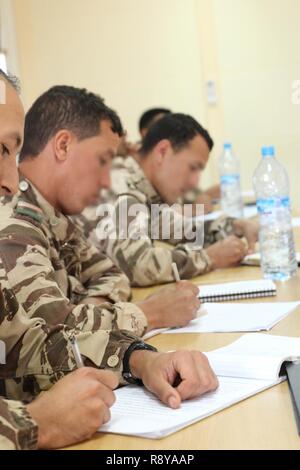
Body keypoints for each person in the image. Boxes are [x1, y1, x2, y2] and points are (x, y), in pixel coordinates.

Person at [0, 80, 218, 427]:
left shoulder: (56, 218)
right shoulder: (13, 223)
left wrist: (137, 358)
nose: (106, 182)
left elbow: (109, 277)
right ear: (63, 145)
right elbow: (135, 267)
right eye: (103, 161)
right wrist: (145, 314)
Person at [93, 113, 258, 286]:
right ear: (162, 152)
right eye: (192, 168)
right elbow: (139, 266)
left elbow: (187, 231)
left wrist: (236, 226)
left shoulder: (145, 189)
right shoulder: (122, 186)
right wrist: (210, 257)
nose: (195, 182)